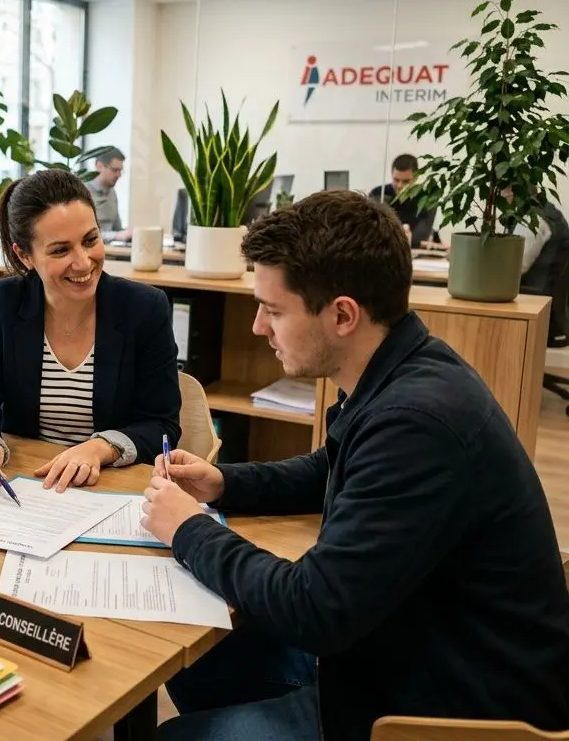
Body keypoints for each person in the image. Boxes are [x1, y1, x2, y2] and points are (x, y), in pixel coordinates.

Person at [140, 191, 569, 741]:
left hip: (447, 711)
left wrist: (188, 531)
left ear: (342, 314)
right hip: (397, 649)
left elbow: (316, 608)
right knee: (206, 647)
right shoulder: (404, 368)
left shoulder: (417, 423)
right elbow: (332, 468)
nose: (257, 328)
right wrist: (223, 483)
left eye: (273, 310)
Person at [0, 168, 181, 494]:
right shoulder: (0, 302)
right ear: (24, 255)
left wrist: (99, 449)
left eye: (91, 240)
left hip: (110, 489)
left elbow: (162, 424)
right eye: (60, 250)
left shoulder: (145, 308)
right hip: (27, 481)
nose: (84, 262)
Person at [369, 153, 437, 247]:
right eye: (396, 180)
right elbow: (371, 233)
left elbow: (421, 236)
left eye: (406, 181)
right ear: (391, 174)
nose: (400, 185)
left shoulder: (428, 198)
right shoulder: (378, 194)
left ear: (416, 178)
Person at [517, 202, 569, 293]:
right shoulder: (552, 214)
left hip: (535, 293)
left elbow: (519, 267)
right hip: (549, 289)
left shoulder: (532, 219)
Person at [85, 148, 129, 242]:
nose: (119, 175)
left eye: (120, 171)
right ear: (99, 166)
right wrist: (116, 236)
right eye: (114, 170)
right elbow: (84, 234)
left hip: (111, 249)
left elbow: (117, 228)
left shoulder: (112, 192)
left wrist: (128, 234)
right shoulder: (83, 192)